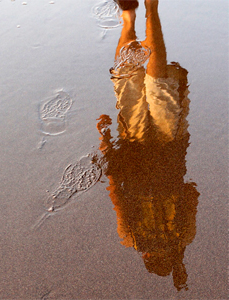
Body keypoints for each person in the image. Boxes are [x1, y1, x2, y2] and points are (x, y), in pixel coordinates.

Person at [96, 0, 199, 291]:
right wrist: (104, 138)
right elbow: (115, 190)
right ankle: (129, 17)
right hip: (134, 148)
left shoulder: (183, 237)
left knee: (159, 86)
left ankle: (152, 8)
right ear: (147, 256)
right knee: (127, 80)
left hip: (169, 148)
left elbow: (191, 192)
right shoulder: (133, 239)